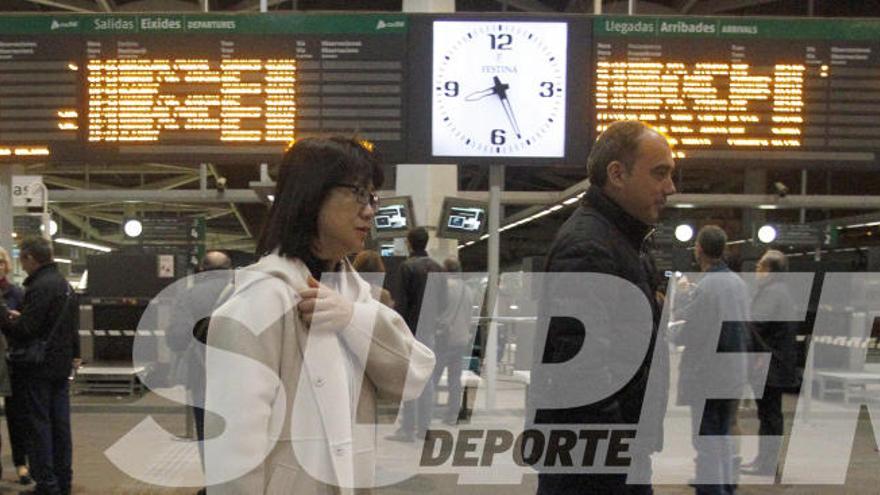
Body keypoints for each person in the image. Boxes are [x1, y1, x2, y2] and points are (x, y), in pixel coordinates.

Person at [202, 137, 435, 493]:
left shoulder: (352, 295)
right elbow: (234, 451)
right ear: (311, 195)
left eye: (372, 197)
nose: (370, 210)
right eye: (358, 193)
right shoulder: (261, 299)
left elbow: (412, 376)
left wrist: (352, 319)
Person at [532, 120, 676, 494]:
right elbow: (581, 376)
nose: (670, 188)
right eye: (659, 174)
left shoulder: (620, 242)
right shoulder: (588, 248)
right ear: (617, 174)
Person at [0, 237, 79, 495]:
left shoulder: (39, 287)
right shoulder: (64, 286)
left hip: (38, 368)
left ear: (31, 258)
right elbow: (67, 327)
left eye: (22, 258)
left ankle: (46, 483)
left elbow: (26, 330)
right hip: (60, 365)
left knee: (40, 425)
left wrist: (4, 316)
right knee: (60, 425)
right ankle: (63, 481)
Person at [675, 226, 751, 495]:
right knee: (724, 434)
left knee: (706, 440)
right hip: (734, 372)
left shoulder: (705, 287)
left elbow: (690, 331)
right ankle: (727, 487)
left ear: (699, 249)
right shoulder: (739, 284)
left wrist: (681, 298)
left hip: (709, 375)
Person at [166, 250, 232, 493]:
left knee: (208, 435)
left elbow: (176, 339)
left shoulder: (189, 295)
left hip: (203, 376)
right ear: (230, 268)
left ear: (202, 270)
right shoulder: (245, 293)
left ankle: (215, 486)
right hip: (243, 378)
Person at [741, 249, 797, 476]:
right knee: (768, 415)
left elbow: (756, 324)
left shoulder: (773, 293)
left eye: (760, 267)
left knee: (770, 415)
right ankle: (764, 460)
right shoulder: (778, 291)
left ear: (771, 272)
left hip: (770, 366)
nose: (757, 270)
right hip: (773, 364)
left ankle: (766, 464)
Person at [387, 227, 445, 442]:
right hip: (430, 330)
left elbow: (401, 303)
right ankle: (425, 427)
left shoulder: (407, 267)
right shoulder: (438, 269)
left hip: (410, 330)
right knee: (427, 378)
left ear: (409, 243)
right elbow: (444, 302)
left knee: (410, 378)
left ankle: (408, 429)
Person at [431, 258, 476, 425]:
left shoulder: (444, 288)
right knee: (454, 380)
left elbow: (436, 311)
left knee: (433, 378)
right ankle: (452, 416)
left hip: (443, 339)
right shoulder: (468, 290)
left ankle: (425, 413)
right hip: (461, 339)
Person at [0, 247, 31, 486]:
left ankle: (21, 464)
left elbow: (28, 327)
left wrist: (16, 318)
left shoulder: (17, 293)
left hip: (13, 361)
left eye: (1, 262)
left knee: (17, 416)